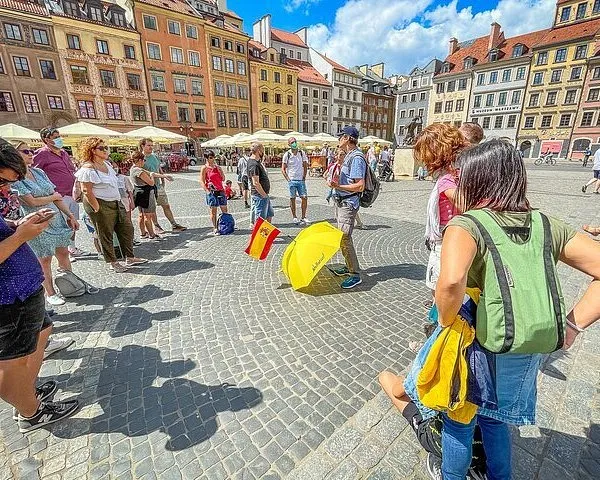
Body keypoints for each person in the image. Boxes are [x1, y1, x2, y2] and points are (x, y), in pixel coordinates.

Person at [432, 139, 600, 479]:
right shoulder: (547, 223)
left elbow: (450, 283)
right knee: (495, 419)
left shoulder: (467, 225)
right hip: (524, 345)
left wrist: (446, 321)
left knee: (459, 419)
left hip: (479, 340)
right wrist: (571, 327)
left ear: (478, 179)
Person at [0, 140, 79, 433]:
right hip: (8, 295)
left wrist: (14, 224)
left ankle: (26, 392)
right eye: (3, 182)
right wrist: (21, 236)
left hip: (22, 285)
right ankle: (30, 412)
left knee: (42, 333)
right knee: (11, 362)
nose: (7, 190)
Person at [378, 372, 486, 479]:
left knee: (385, 377)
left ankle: (442, 464)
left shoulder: (439, 360)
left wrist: (406, 379)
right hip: (490, 449)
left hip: (450, 444)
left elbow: (397, 392)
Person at [11, 141, 80, 306]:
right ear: (15, 155)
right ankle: (50, 293)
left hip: (56, 219)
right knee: (45, 259)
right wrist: (53, 197)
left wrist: (70, 215)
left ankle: (69, 285)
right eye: (25, 151)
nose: (30, 154)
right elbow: (32, 202)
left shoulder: (39, 172)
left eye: (31, 150)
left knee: (63, 253)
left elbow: (56, 196)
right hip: (37, 220)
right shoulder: (16, 178)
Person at [75, 138, 147, 273]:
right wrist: (97, 208)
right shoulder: (88, 167)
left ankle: (129, 257)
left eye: (106, 147)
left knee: (127, 228)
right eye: (101, 148)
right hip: (100, 203)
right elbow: (86, 190)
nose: (105, 150)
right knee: (105, 233)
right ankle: (113, 262)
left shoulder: (106, 165)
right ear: (92, 151)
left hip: (115, 201)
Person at [414, 124, 468, 301]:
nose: (423, 159)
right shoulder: (461, 170)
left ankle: (443, 324)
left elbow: (469, 204)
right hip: (456, 237)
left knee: (439, 290)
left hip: (447, 240)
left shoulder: (448, 179)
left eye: (424, 152)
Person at [34, 127, 95, 262]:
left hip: (71, 193)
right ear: (46, 139)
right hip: (57, 196)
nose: (59, 139)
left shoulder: (63, 153)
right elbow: (34, 173)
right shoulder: (42, 154)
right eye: (55, 137)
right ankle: (63, 252)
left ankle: (72, 248)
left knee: (72, 221)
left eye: (59, 136)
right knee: (61, 225)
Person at [328, 126, 366, 289]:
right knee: (342, 237)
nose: (338, 140)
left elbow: (360, 186)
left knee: (345, 238)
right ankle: (348, 266)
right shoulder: (349, 156)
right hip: (341, 200)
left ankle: (355, 274)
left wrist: (339, 186)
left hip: (348, 203)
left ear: (348, 138)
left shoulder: (356, 157)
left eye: (340, 137)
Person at [139, 138, 186, 233]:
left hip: (158, 186)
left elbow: (159, 169)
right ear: (142, 146)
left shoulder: (154, 156)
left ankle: (174, 224)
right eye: (148, 145)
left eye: (152, 145)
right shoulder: (140, 158)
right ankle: (156, 226)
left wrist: (162, 181)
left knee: (166, 205)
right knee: (152, 209)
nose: (151, 147)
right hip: (147, 187)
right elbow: (141, 173)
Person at [130, 151, 172, 240]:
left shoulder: (134, 168)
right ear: (139, 160)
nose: (144, 162)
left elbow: (150, 173)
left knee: (141, 214)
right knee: (147, 215)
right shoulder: (138, 171)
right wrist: (152, 176)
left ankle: (143, 233)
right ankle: (152, 234)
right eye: (143, 160)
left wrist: (163, 176)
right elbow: (151, 182)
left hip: (139, 193)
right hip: (145, 194)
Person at [282, 137, 310, 225]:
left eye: (295, 141)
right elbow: (283, 168)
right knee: (292, 198)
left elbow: (305, 165)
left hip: (301, 180)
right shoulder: (287, 154)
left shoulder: (302, 153)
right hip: (292, 179)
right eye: (292, 142)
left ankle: (303, 217)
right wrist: (288, 179)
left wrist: (304, 176)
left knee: (304, 198)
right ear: (289, 145)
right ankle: (294, 217)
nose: (294, 143)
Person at [201, 151, 228, 235]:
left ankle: (225, 225)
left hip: (220, 190)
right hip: (212, 191)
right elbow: (202, 181)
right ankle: (215, 227)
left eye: (213, 157)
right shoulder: (204, 168)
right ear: (207, 158)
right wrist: (207, 191)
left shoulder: (217, 167)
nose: (213, 159)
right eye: (210, 158)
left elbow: (223, 179)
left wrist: (220, 171)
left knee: (224, 209)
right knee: (213, 210)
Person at [247, 142, 273, 225]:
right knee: (260, 219)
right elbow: (256, 183)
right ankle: (259, 237)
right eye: (262, 150)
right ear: (258, 151)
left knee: (269, 214)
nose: (263, 152)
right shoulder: (253, 164)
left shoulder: (257, 162)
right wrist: (264, 195)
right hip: (259, 195)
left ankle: (267, 235)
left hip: (263, 194)